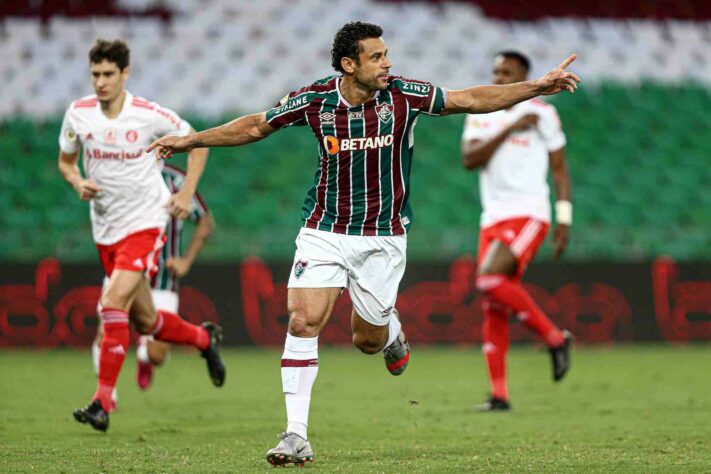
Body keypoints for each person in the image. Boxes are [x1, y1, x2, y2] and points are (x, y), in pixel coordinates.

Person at [148, 22, 580, 466]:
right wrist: (192, 139)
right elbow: (258, 125)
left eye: (387, 54)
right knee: (302, 320)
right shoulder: (315, 99)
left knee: (367, 340)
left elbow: (469, 99)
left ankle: (391, 331)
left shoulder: (404, 94)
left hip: (382, 237)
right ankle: (296, 434)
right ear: (349, 65)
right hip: (325, 229)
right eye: (377, 57)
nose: (388, 63)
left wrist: (537, 87)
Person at [58, 39, 225, 433]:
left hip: (146, 222)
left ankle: (102, 401)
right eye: (95, 74)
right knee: (147, 321)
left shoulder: (148, 114)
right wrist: (78, 180)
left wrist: (184, 195)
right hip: (106, 229)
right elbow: (65, 162)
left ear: (124, 74)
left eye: (108, 74)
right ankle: (204, 339)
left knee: (112, 303)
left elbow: (197, 143)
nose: (101, 82)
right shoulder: (78, 114)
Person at [461, 51, 574, 412]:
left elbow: (559, 169)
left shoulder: (544, 114)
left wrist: (564, 218)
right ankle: (499, 395)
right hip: (491, 215)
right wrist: (509, 125)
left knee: (489, 279)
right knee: (493, 302)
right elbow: (469, 160)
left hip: (529, 213)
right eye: (495, 71)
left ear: (524, 75)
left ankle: (555, 339)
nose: (498, 77)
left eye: (506, 72)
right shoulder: (480, 112)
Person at [91, 163, 215, 407]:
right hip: (124, 269)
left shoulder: (176, 181)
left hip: (162, 279)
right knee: (105, 331)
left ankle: (145, 357)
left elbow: (205, 222)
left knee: (158, 353)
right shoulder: (119, 173)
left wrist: (186, 260)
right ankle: (106, 395)